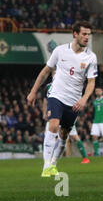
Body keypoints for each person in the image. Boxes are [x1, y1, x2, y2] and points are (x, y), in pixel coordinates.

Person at [27, 21, 97, 177]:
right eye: (84, 34)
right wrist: (33, 92)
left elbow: (91, 82)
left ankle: (53, 164)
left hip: (74, 101)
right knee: (53, 124)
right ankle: (46, 167)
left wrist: (84, 99)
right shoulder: (60, 51)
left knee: (64, 134)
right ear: (75, 34)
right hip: (56, 95)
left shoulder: (91, 57)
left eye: (88, 35)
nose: (87, 37)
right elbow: (45, 72)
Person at [43, 78, 90, 164]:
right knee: (50, 135)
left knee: (73, 136)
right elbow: (45, 101)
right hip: (55, 113)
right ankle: (49, 160)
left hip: (66, 113)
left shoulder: (67, 83)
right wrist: (44, 112)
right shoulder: (48, 86)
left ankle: (85, 157)